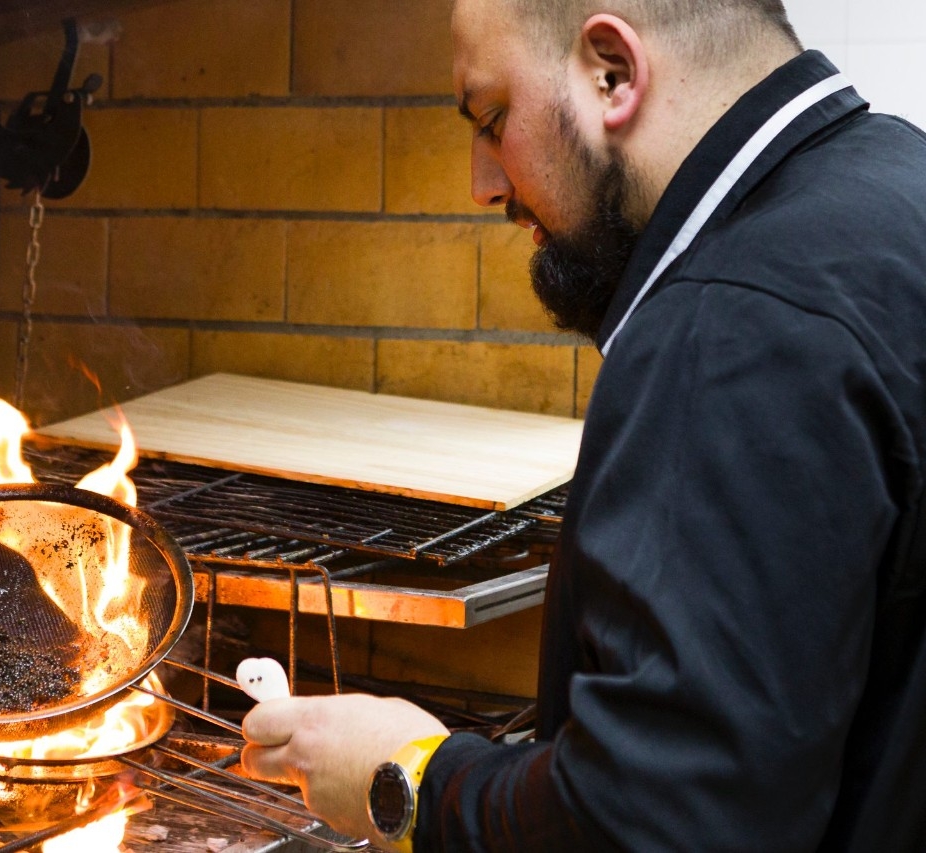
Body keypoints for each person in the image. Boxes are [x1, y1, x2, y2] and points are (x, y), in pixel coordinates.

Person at [239, 0, 926, 850]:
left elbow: (662, 824)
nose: (483, 182)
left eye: (493, 119)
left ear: (612, 72)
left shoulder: (732, 325)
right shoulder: (899, 190)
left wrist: (413, 780)